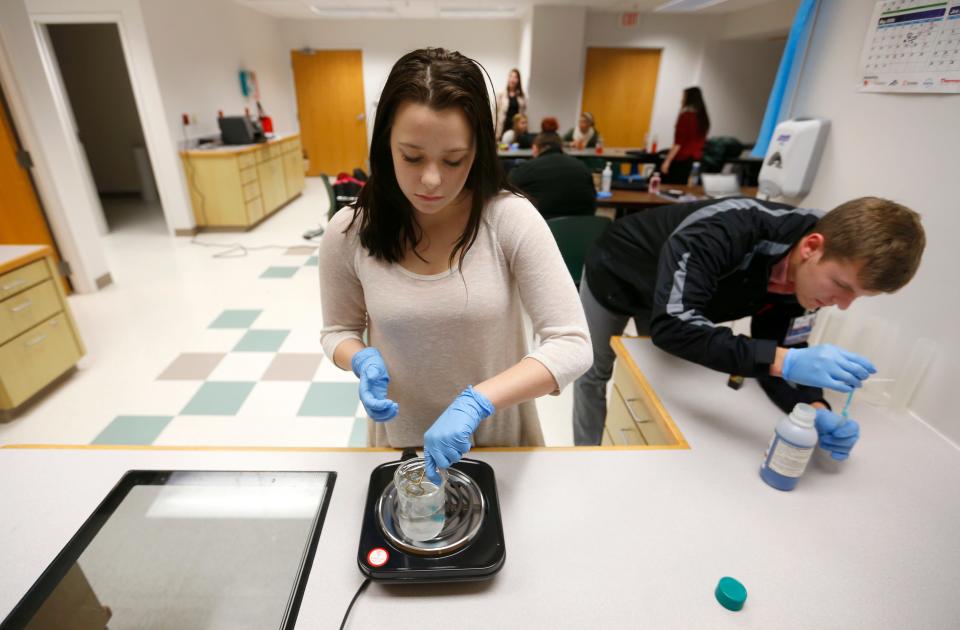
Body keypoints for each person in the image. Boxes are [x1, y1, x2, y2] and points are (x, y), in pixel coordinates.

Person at [319, 48, 591, 484]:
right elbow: (338, 331)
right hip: (397, 449)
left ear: (479, 150)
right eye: (411, 157)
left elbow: (572, 343)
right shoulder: (349, 231)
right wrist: (360, 358)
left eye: (453, 160)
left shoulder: (509, 218)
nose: (431, 180)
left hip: (500, 449)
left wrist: (478, 402)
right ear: (385, 143)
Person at [572, 196, 925, 461]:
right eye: (842, 286)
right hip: (618, 273)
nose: (843, 304)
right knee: (593, 370)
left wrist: (813, 406)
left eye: (858, 296)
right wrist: (780, 359)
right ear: (811, 248)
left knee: (656, 374)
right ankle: (586, 458)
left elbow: (773, 353)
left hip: (677, 299)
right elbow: (673, 325)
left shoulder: (808, 276)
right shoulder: (725, 230)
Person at [507, 131, 596, 221]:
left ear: (535, 148)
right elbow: (593, 200)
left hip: (544, 230)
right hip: (584, 229)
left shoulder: (528, 168)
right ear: (561, 147)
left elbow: (508, 187)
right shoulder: (582, 166)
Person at [660, 87, 709, 185]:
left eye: (683, 96)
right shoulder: (703, 118)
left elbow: (678, 143)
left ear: (688, 98)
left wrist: (667, 161)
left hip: (682, 159)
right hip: (697, 159)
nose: (681, 99)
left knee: (672, 187)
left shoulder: (685, 116)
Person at [495, 68, 526, 141]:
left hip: (516, 130)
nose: (513, 79)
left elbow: (523, 115)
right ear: (508, 78)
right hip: (502, 129)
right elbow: (495, 114)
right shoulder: (501, 95)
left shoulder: (522, 97)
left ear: (518, 80)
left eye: (515, 77)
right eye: (511, 76)